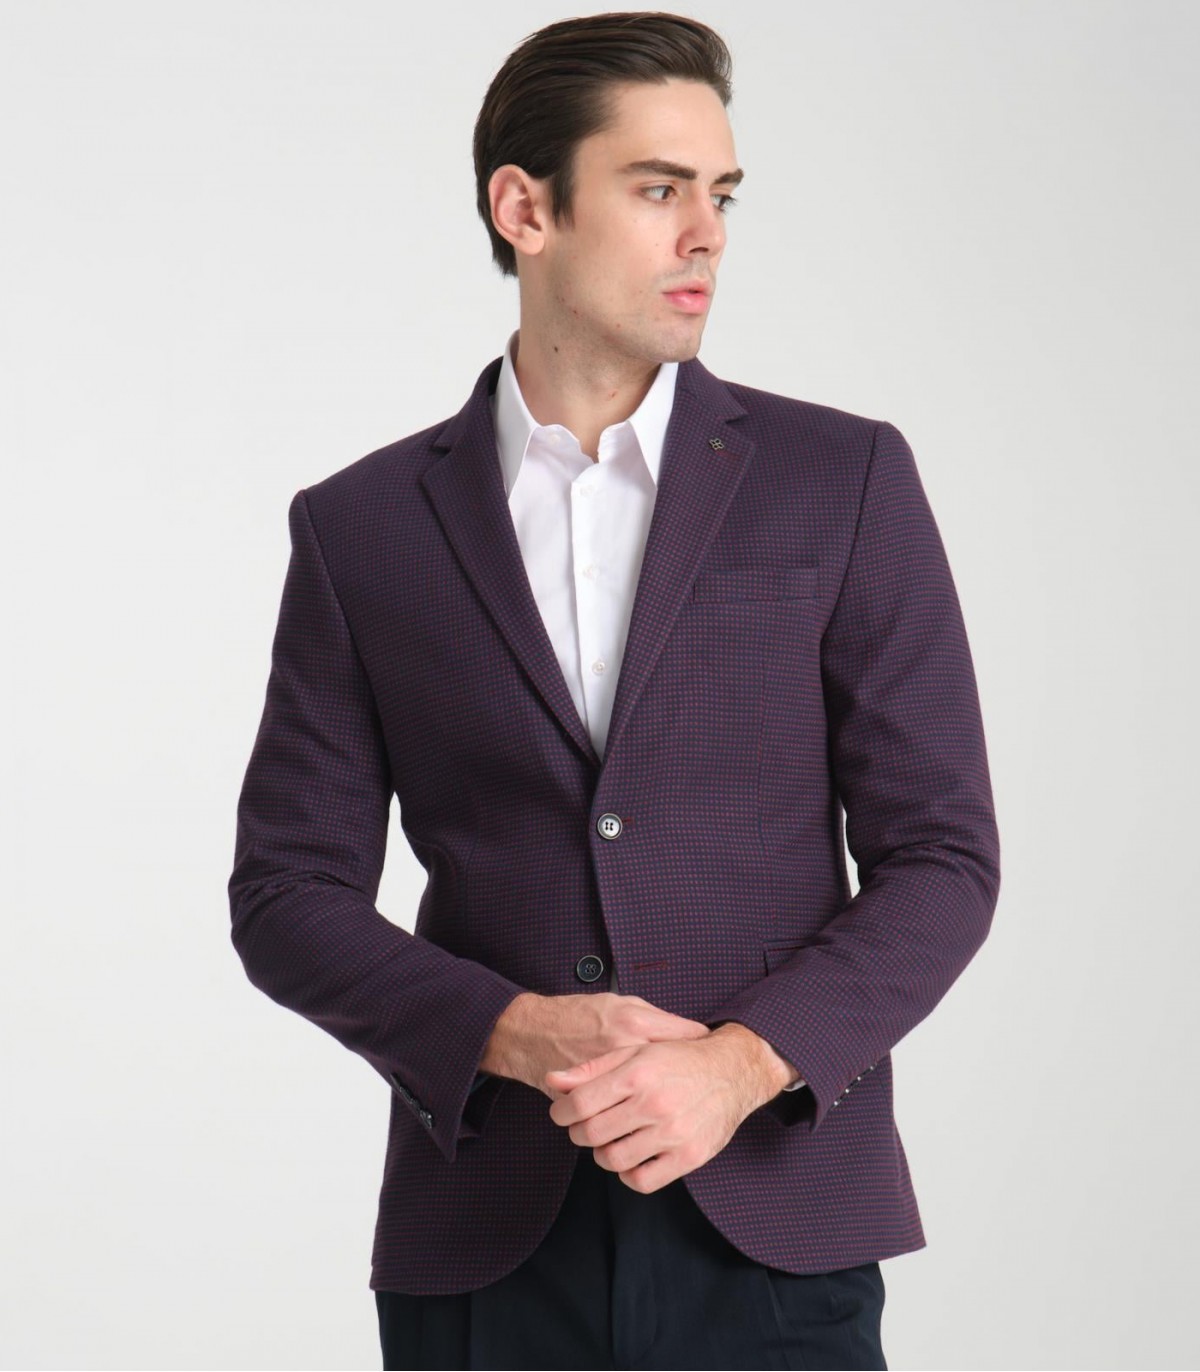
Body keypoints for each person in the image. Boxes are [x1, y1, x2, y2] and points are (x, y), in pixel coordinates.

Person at [228, 12, 1001, 1370]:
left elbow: (943, 858)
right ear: (526, 209)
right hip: (486, 1243)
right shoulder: (363, 529)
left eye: (722, 195)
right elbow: (287, 894)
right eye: (658, 189)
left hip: (774, 1226)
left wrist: (740, 1064)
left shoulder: (843, 481)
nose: (707, 235)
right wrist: (512, 1033)